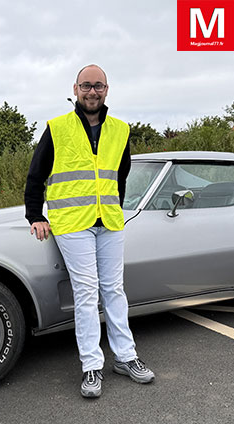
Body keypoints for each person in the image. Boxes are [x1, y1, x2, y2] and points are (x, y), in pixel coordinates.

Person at [24, 64, 154, 399]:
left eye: (98, 86)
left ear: (107, 90)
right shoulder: (58, 127)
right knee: (86, 292)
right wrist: (34, 215)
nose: (92, 92)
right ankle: (91, 366)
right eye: (86, 86)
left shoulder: (120, 130)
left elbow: (120, 177)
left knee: (114, 289)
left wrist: (118, 210)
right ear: (76, 89)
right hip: (72, 223)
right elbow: (35, 176)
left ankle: (126, 357)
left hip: (109, 221)